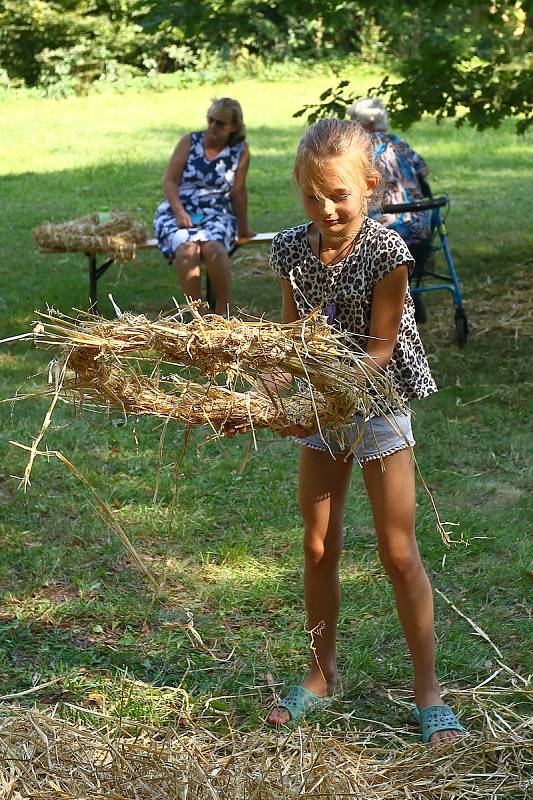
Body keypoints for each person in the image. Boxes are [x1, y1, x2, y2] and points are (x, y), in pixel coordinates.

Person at [263, 118, 464, 744]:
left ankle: (428, 691)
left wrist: (334, 379)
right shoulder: (291, 249)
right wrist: (272, 386)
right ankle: (322, 675)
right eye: (312, 195)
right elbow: (293, 334)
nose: (325, 208)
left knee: (397, 552)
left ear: (369, 187)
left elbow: (380, 347)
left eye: (339, 194)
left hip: (376, 401)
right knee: (318, 545)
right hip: (323, 402)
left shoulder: (388, 254)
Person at [153, 98, 255, 315]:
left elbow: (238, 192)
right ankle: (199, 316)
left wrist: (243, 228)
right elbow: (169, 181)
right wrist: (179, 212)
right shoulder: (189, 141)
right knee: (186, 248)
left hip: (217, 211)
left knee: (213, 247)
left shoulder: (240, 151)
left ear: (234, 127)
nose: (212, 127)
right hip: (179, 209)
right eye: (210, 120)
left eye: (220, 123)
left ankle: (222, 314)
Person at [349, 98, 430, 247]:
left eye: (353, 120)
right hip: (419, 224)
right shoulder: (398, 142)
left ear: (366, 122)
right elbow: (423, 170)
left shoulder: (360, 147)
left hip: (384, 229)